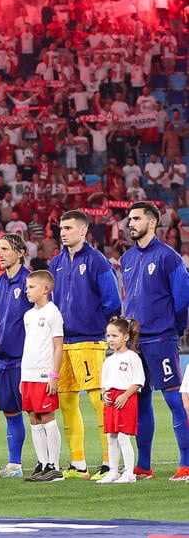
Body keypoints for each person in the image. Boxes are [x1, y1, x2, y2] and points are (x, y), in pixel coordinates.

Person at [49, 210, 121, 478]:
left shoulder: (97, 262)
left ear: (83, 231)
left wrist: (99, 330)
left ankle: (108, 462)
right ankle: (78, 463)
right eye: (61, 228)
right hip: (63, 344)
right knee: (67, 403)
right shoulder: (57, 262)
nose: (63, 232)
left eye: (68, 228)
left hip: (89, 341)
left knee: (98, 402)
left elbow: (112, 302)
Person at [121, 201, 189, 480]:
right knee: (140, 400)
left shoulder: (168, 257)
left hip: (161, 338)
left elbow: (183, 298)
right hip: (134, 343)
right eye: (129, 219)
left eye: (136, 218)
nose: (131, 223)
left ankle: (186, 463)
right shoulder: (126, 259)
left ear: (152, 222)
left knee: (174, 400)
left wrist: (173, 328)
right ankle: (144, 466)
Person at [0, 234, 34, 478]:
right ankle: (14, 465)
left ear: (20, 252)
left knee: (35, 412)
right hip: (4, 359)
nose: (1, 253)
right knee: (10, 411)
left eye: (5, 249)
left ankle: (46, 462)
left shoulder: (29, 281)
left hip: (25, 360)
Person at [21, 270, 65, 483]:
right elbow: (29, 346)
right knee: (33, 416)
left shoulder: (53, 313)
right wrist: (22, 376)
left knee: (47, 416)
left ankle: (54, 466)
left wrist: (54, 375)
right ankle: (42, 462)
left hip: (44, 374)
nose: (27, 290)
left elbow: (58, 347)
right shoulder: (28, 315)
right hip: (28, 374)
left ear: (45, 289)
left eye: (31, 287)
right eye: (27, 287)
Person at [98, 316, 144, 484]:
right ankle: (113, 471)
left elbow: (138, 381)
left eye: (114, 336)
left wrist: (125, 396)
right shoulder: (108, 360)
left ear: (125, 337)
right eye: (108, 336)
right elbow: (103, 383)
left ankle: (129, 473)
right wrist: (104, 394)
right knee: (111, 437)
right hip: (111, 401)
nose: (110, 339)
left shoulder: (132, 357)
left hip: (126, 399)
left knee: (124, 437)